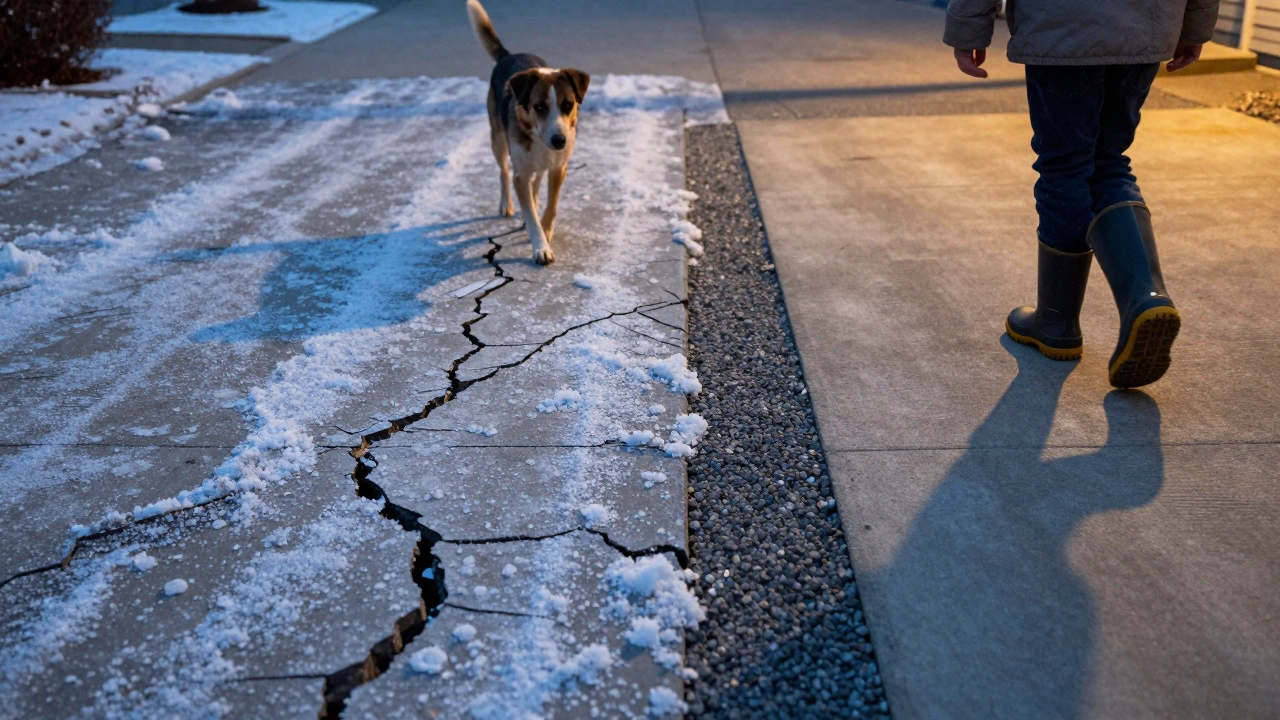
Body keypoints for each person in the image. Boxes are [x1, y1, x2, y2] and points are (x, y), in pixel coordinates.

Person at [944, 0, 1220, 388]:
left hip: (1061, 26)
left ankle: (1056, 321)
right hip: (1146, 24)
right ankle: (1146, 295)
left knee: (1065, 166)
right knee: (1109, 160)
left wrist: (967, 29)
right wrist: (1193, 27)